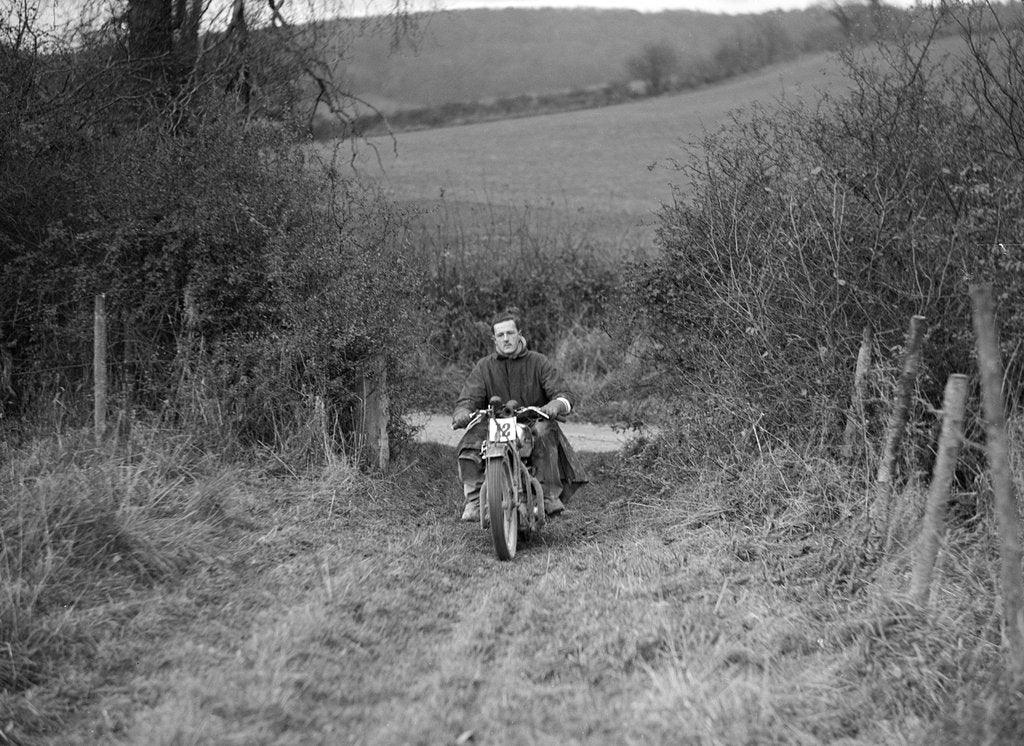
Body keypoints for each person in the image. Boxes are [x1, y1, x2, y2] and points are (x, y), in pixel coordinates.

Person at [451, 309, 588, 522]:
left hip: (531, 420)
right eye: (500, 335)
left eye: (510, 333)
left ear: (519, 334)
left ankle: (548, 497)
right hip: (495, 423)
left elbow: (563, 393)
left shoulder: (538, 362)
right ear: (494, 339)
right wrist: (463, 413)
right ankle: (476, 501)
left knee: (544, 430)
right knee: (470, 445)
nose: (506, 339)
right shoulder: (484, 367)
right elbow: (468, 398)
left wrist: (555, 405)